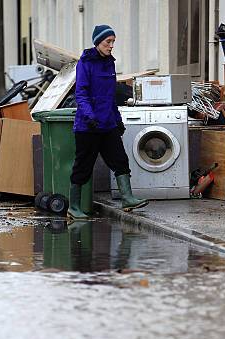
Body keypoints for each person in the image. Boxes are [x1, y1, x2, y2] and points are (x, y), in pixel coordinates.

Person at [69, 24, 149, 220]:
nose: (111, 45)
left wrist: (118, 120)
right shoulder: (85, 63)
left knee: (120, 160)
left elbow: (110, 96)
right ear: (98, 42)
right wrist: (90, 117)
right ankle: (73, 207)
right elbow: (81, 94)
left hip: (107, 124)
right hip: (88, 126)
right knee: (83, 167)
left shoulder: (110, 63)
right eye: (108, 42)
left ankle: (127, 198)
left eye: (113, 42)